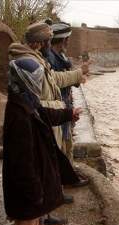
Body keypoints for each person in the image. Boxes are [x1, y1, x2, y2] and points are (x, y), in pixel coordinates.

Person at [8, 22, 88, 225]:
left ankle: (45, 216)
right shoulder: (29, 63)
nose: (50, 45)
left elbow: (52, 82)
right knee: (39, 175)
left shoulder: (36, 58)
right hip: (41, 123)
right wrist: (63, 109)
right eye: (47, 41)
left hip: (46, 119)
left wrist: (77, 75)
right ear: (40, 43)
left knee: (47, 171)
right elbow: (35, 102)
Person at [3, 57, 81, 225]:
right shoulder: (18, 114)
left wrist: (68, 114)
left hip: (30, 180)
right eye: (36, 78)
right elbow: (22, 162)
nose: (39, 82)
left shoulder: (24, 100)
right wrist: (33, 190)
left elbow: (43, 113)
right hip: (25, 184)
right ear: (25, 80)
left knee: (33, 222)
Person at [45, 22, 76, 163]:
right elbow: (56, 81)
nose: (69, 42)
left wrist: (77, 77)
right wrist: (78, 75)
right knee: (61, 147)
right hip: (58, 109)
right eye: (68, 39)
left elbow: (71, 81)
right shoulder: (51, 58)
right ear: (63, 40)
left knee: (67, 144)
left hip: (65, 108)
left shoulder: (62, 57)